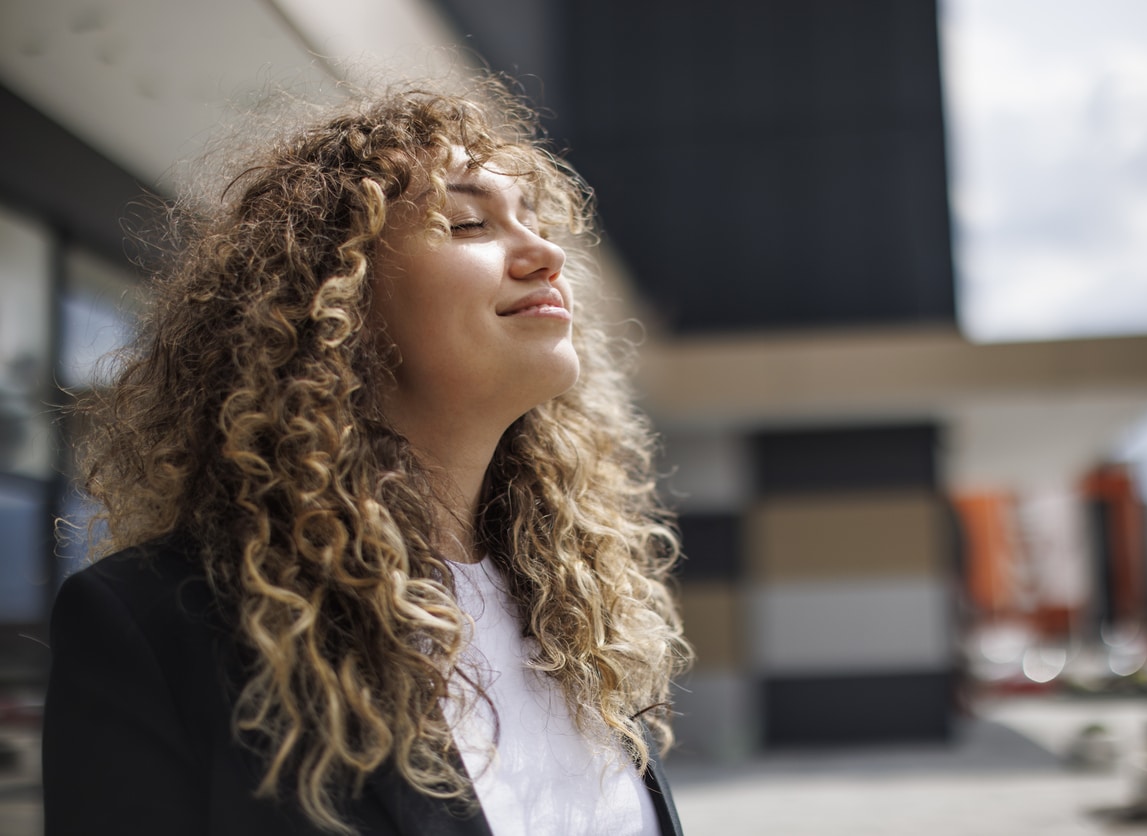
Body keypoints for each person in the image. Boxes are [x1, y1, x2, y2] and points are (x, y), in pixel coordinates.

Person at [42, 77, 690, 836]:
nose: (545, 252)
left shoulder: (572, 616)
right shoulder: (160, 626)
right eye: (469, 223)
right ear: (335, 297)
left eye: (538, 222)